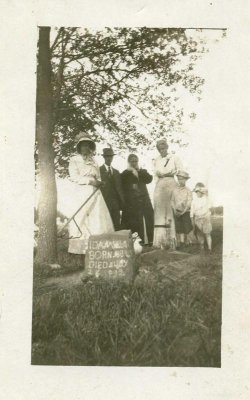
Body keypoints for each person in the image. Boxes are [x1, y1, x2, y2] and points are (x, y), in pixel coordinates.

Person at [67, 133, 114, 256]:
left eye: (87, 146)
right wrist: (89, 181)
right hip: (81, 191)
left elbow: (98, 176)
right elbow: (74, 177)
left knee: (97, 216)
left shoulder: (94, 161)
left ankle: (99, 248)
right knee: (82, 216)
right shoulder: (74, 159)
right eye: (83, 146)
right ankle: (81, 250)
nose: (85, 148)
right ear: (79, 147)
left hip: (95, 192)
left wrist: (99, 182)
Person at [153, 138, 183, 249]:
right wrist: (158, 179)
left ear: (167, 147)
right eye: (160, 149)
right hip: (160, 186)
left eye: (163, 148)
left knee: (171, 211)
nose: (162, 151)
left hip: (171, 184)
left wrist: (174, 172)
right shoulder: (156, 160)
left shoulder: (174, 158)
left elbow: (181, 171)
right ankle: (160, 242)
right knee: (160, 212)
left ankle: (172, 242)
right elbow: (155, 175)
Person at [121, 154, 154, 245]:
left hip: (144, 199)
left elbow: (149, 179)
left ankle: (149, 240)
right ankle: (138, 241)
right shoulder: (125, 173)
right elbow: (122, 185)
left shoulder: (142, 172)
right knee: (135, 221)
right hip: (132, 201)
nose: (134, 163)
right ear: (129, 162)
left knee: (148, 218)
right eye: (132, 161)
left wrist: (139, 171)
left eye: (136, 161)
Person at [99, 148, 125, 230]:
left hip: (115, 203)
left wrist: (122, 202)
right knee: (106, 223)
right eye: (107, 156)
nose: (109, 158)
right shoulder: (99, 170)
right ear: (104, 157)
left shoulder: (116, 172)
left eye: (111, 156)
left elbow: (120, 188)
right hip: (104, 202)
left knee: (116, 223)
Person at [171, 170, 193, 249]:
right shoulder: (174, 190)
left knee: (187, 227)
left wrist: (184, 211)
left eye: (183, 179)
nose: (181, 181)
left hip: (185, 212)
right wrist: (174, 210)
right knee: (179, 228)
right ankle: (182, 242)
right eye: (179, 179)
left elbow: (189, 202)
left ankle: (188, 241)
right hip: (177, 212)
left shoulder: (188, 190)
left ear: (186, 180)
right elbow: (172, 201)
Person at [190, 182, 212, 253]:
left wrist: (207, 194)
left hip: (205, 217)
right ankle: (202, 247)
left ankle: (209, 248)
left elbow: (209, 207)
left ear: (202, 192)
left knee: (207, 233)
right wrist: (192, 219)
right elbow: (192, 211)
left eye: (199, 192)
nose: (198, 193)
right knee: (199, 234)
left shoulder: (206, 199)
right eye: (196, 192)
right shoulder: (194, 201)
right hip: (197, 219)